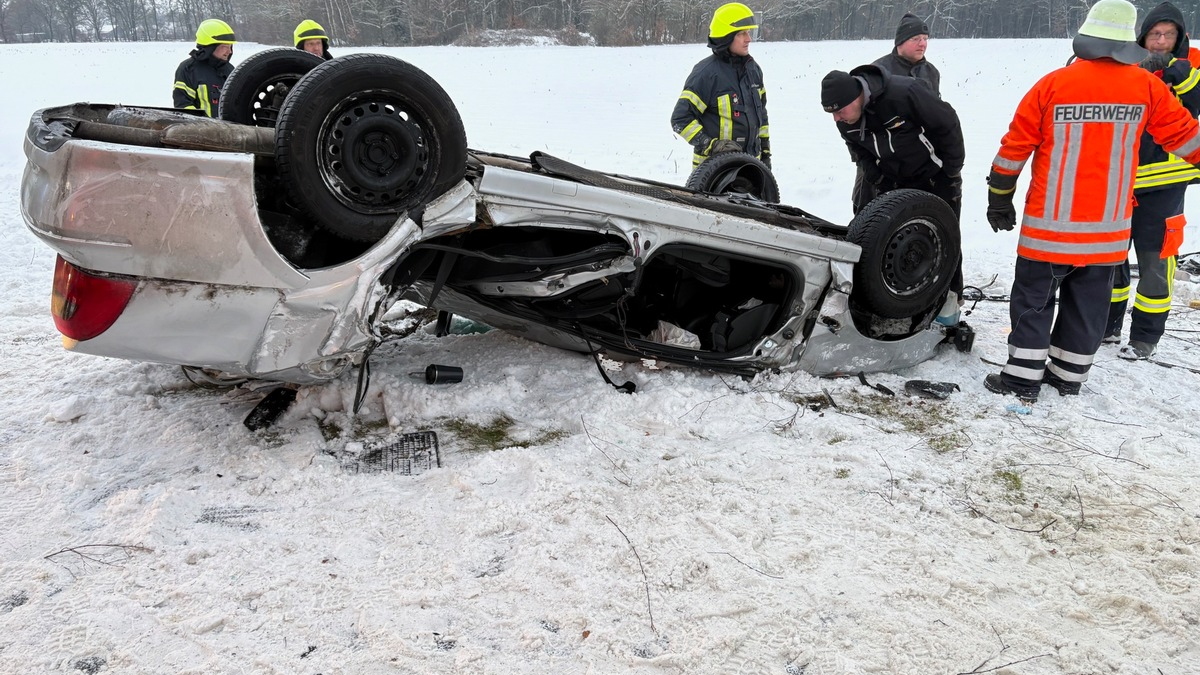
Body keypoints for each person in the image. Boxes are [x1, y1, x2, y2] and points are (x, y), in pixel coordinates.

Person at [984, 0, 1200, 403]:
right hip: (1108, 232)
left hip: (1049, 228)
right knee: (1088, 304)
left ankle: (1021, 381)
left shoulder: (1053, 84)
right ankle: (1067, 377)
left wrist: (999, 198)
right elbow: (1188, 140)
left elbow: (1014, 149)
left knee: (1034, 300)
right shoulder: (1146, 87)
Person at [820, 65, 965, 311]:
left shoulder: (904, 93)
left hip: (935, 175)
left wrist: (950, 171)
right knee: (883, 236)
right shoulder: (845, 119)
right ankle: (893, 300)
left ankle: (949, 302)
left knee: (942, 237)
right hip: (893, 179)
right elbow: (859, 151)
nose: (836, 118)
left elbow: (947, 122)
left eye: (839, 111)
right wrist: (878, 178)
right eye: (831, 114)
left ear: (856, 97)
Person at [1104, 1, 1200, 360]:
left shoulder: (1194, 63)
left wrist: (1182, 74)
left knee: (1156, 263)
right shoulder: (1127, 63)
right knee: (1110, 258)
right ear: (1142, 37)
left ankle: (1146, 337)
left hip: (1167, 182)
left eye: (1168, 35)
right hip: (1120, 180)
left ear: (1179, 38)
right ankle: (1107, 327)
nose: (1160, 41)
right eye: (1155, 34)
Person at [852, 12, 944, 210]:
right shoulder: (877, 70)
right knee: (868, 215)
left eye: (925, 39)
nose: (923, 44)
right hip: (878, 159)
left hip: (916, 160)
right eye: (916, 39)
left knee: (908, 213)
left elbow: (937, 116)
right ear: (900, 42)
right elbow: (855, 121)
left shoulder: (931, 73)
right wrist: (865, 163)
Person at [671, 3, 770, 169]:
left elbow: (762, 118)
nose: (749, 39)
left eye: (749, 32)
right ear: (726, 37)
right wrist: (712, 145)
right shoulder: (706, 74)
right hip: (714, 172)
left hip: (750, 169)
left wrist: (765, 157)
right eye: (742, 33)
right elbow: (680, 119)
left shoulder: (753, 70)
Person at [173, 19, 236, 117]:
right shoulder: (188, 69)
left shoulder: (230, 70)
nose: (229, 51)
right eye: (224, 47)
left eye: (230, 47)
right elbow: (183, 106)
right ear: (210, 47)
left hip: (229, 131)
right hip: (201, 131)